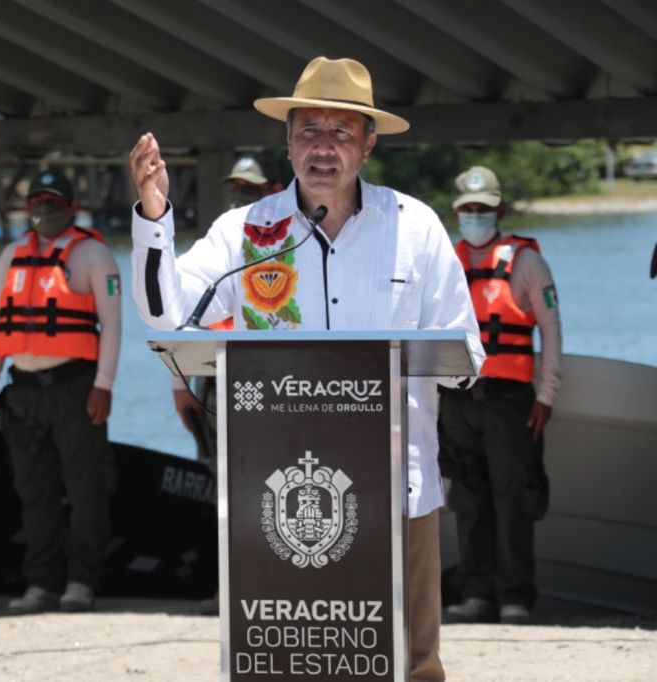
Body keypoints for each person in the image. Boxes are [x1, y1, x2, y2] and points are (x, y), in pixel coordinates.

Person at [128, 56, 485, 681]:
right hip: (276, 491)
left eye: (341, 131)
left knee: (412, 662)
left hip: (398, 486)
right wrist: (155, 219)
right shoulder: (245, 231)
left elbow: (467, 354)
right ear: (288, 142)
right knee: (288, 659)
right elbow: (168, 313)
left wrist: (428, 366)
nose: (323, 147)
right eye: (309, 131)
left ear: (368, 144)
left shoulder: (416, 228)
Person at [0, 170, 120, 615]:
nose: (44, 208)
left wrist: (103, 385)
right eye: (37, 200)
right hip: (21, 390)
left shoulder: (93, 255)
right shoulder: (12, 255)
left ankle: (82, 581)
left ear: (72, 207)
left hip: (74, 387)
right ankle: (41, 583)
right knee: (33, 490)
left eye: (53, 201)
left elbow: (113, 325)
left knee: (84, 489)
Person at [439, 166, 562, 625]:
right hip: (457, 400)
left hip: (510, 400)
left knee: (514, 499)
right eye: (468, 209)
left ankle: (515, 597)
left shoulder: (528, 264)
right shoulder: (444, 264)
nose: (476, 216)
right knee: (468, 501)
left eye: (484, 209)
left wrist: (546, 394)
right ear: (456, 213)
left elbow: (551, 330)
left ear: (501, 210)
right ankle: (477, 594)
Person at [171, 155, 281, 616]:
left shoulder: (293, 245)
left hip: (275, 386)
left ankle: (278, 586)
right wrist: (179, 382)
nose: (240, 197)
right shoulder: (213, 245)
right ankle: (231, 588)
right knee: (227, 492)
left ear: (274, 190)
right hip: (217, 384)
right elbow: (178, 314)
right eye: (235, 188)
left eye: (250, 189)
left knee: (275, 488)